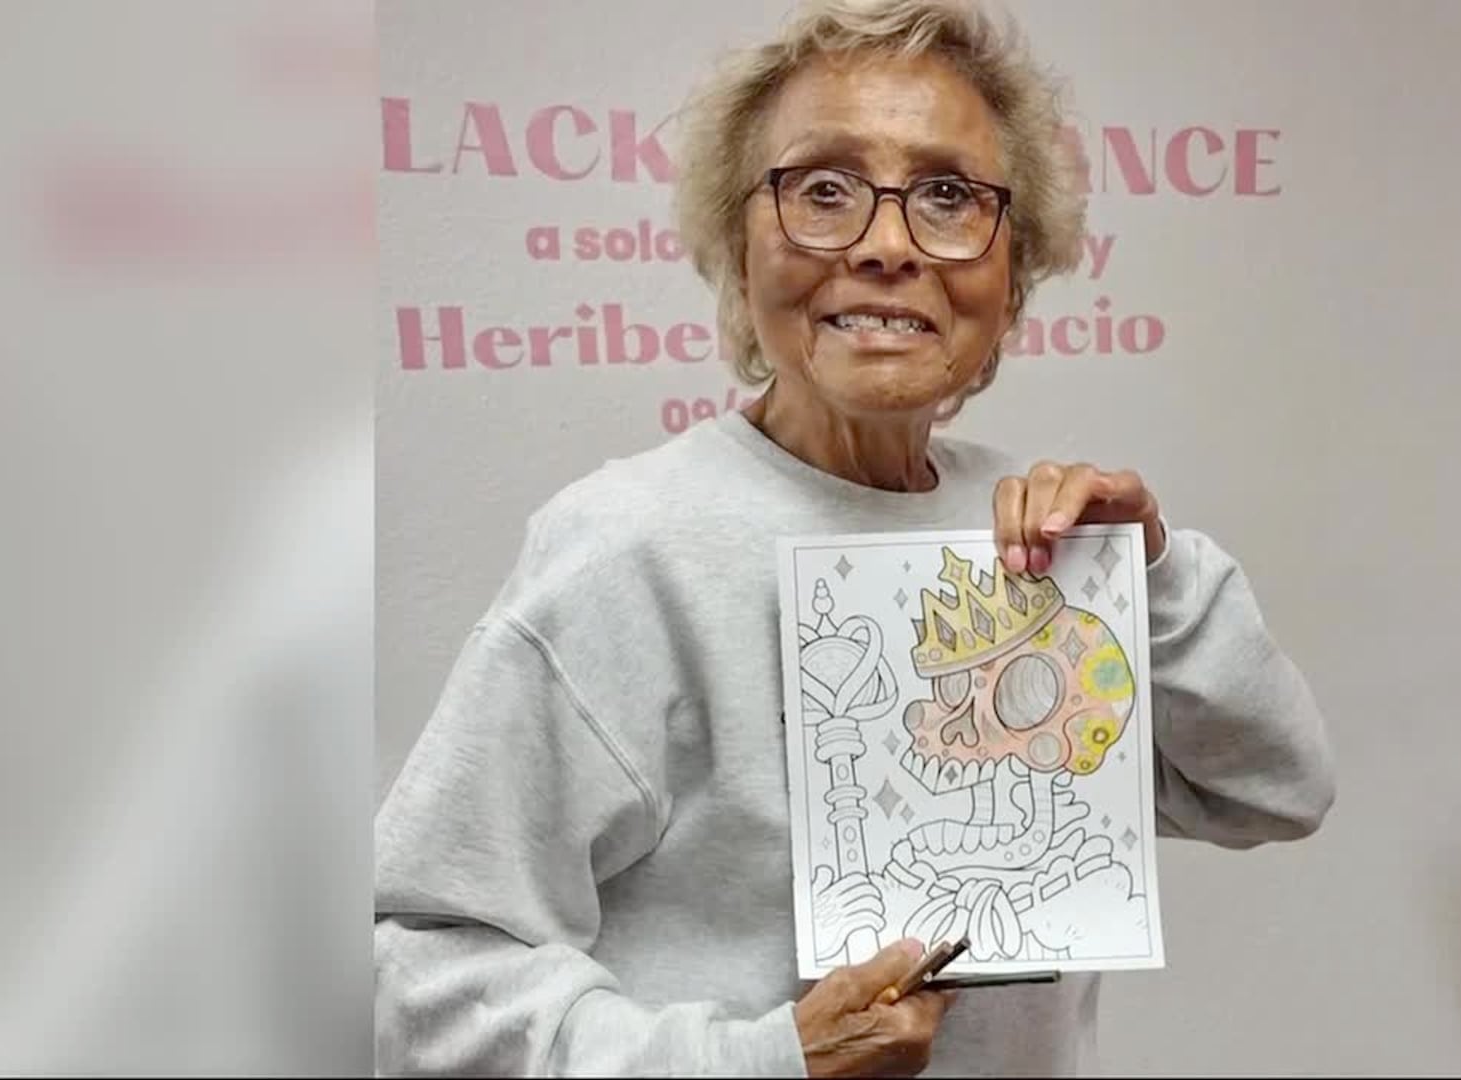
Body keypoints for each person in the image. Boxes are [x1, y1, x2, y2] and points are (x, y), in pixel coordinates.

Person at [372, 0, 1335, 1075]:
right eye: (823, 190)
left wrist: (1153, 573)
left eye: (948, 196)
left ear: (1012, 276)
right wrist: (767, 1062)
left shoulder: (1043, 540)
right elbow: (425, 976)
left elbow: (1274, 788)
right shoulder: (626, 551)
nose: (885, 244)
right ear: (741, 251)